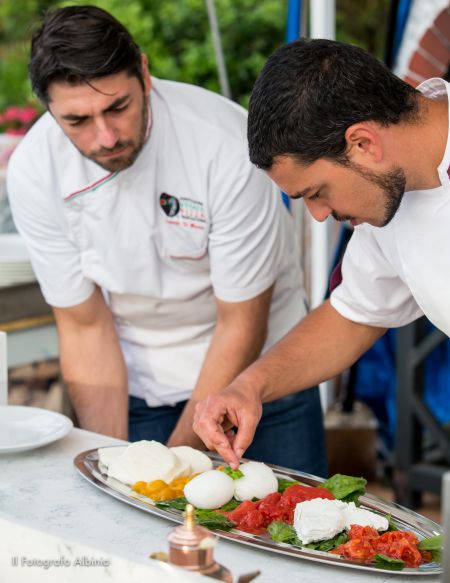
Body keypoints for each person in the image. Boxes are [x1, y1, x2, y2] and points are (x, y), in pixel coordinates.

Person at [7, 6, 327, 475]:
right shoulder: (36, 171)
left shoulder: (224, 143)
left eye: (118, 107)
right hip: (137, 383)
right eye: (77, 120)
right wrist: (113, 459)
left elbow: (240, 321)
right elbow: (84, 326)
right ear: (50, 109)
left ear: (144, 72)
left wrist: (174, 467)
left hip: (260, 384)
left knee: (282, 536)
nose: (104, 136)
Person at [193, 37, 450, 467]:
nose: (317, 214)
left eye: (317, 192)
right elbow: (351, 316)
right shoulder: (390, 193)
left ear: (363, 143)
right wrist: (249, 387)